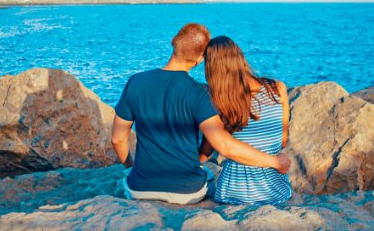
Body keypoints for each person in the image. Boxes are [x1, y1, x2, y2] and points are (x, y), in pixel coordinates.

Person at [111, 23, 291, 205]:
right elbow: (224, 145)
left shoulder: (135, 82)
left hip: (139, 189)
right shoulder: (201, 93)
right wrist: (276, 162)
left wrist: (132, 168)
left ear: (173, 41)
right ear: (198, 60)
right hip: (188, 192)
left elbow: (117, 140)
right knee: (208, 174)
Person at [201, 35, 292, 205]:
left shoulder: (218, 100)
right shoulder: (278, 89)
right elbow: (283, 141)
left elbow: (208, 150)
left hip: (233, 190)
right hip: (273, 189)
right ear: (240, 58)